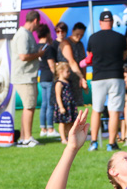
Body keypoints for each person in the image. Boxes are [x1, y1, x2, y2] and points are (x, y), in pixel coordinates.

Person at [87, 10, 127, 151]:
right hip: (116, 76)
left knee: (96, 110)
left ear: (100, 22)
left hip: (98, 77)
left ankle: (93, 142)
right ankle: (111, 143)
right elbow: (124, 56)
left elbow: (89, 57)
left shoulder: (93, 38)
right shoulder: (120, 38)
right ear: (112, 22)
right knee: (114, 111)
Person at [10, 11, 46, 147]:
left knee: (28, 107)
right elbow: (23, 56)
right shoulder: (23, 35)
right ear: (35, 21)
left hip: (26, 76)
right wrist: (39, 54)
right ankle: (27, 138)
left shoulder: (26, 34)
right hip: (24, 76)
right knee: (29, 107)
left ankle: (24, 137)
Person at [58, 22, 89, 107]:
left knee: (77, 107)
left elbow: (83, 63)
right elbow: (71, 62)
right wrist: (81, 77)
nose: (79, 37)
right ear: (72, 31)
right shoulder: (66, 43)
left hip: (77, 80)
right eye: (77, 34)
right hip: (66, 80)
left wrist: (84, 79)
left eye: (81, 35)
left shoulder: (80, 44)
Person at [36, 23, 58, 139]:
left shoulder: (36, 47)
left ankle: (43, 128)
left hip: (42, 77)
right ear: (48, 33)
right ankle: (50, 128)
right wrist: (57, 75)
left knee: (43, 104)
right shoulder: (48, 48)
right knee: (50, 104)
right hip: (49, 78)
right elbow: (51, 65)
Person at [53, 62, 77, 144]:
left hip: (70, 105)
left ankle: (70, 136)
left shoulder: (68, 82)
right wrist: (61, 107)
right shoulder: (59, 83)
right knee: (62, 122)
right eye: (67, 71)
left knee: (70, 121)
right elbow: (58, 96)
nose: (69, 73)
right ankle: (63, 138)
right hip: (63, 105)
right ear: (60, 72)